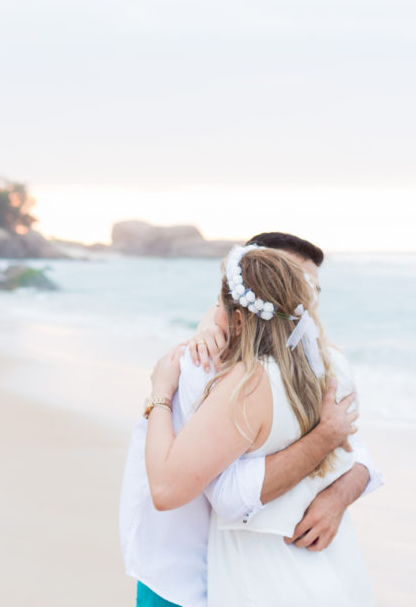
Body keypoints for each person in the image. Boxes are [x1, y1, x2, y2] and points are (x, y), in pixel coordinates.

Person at [120, 233, 382, 607]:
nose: (305, 304)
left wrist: (339, 494)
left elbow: (354, 449)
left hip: (279, 572)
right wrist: (324, 440)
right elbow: (214, 490)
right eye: (296, 286)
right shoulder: (201, 366)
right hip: (183, 577)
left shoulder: (320, 366)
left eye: (312, 291)